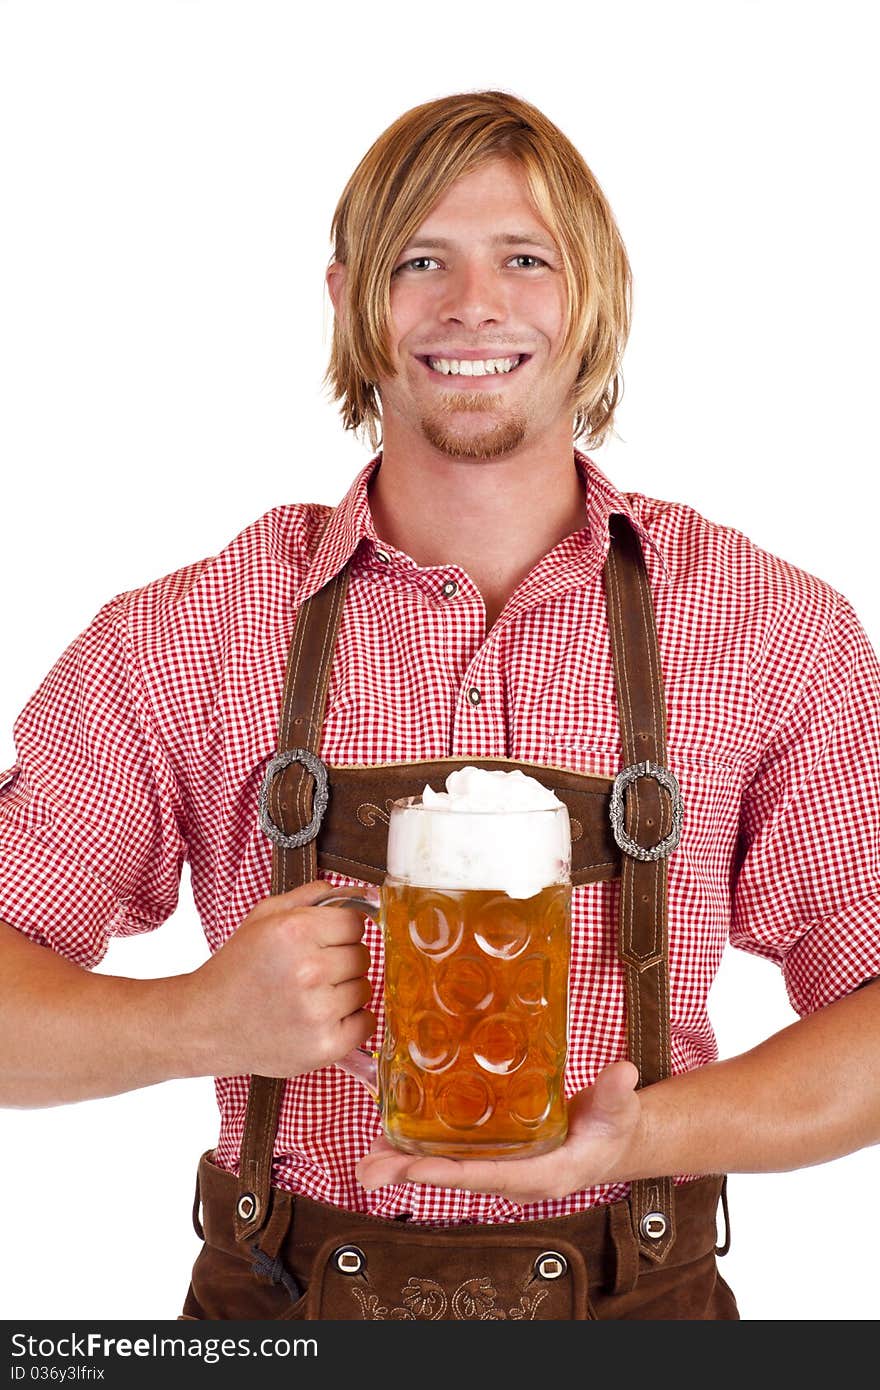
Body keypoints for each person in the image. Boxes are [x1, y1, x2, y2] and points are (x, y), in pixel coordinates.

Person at [1, 89, 878, 1322]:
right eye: (424, 261)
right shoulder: (190, 633)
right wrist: (195, 1019)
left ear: (596, 296)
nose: (474, 305)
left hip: (642, 1303)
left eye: (526, 257)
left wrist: (634, 1137)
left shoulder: (765, 627)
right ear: (353, 300)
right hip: (277, 1307)